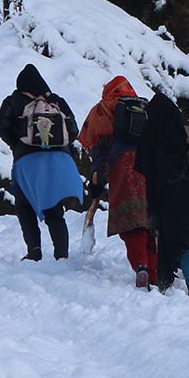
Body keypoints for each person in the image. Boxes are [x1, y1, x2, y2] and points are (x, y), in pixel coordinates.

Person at [0, 64, 85, 261]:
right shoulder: (56, 101)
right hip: (58, 161)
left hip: (26, 161)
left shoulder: (13, 101)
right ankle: (61, 256)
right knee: (54, 209)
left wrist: (17, 144)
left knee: (24, 206)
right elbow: (74, 130)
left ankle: (34, 251)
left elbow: (1, 126)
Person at [135, 93, 189, 296]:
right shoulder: (187, 132)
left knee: (182, 244)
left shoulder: (150, 138)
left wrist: (152, 211)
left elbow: (150, 178)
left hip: (168, 200)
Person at [76, 76, 154, 287]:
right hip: (151, 167)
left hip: (124, 168)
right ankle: (156, 273)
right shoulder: (146, 107)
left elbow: (99, 148)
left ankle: (141, 266)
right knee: (151, 220)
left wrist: (97, 179)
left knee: (130, 221)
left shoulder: (103, 109)